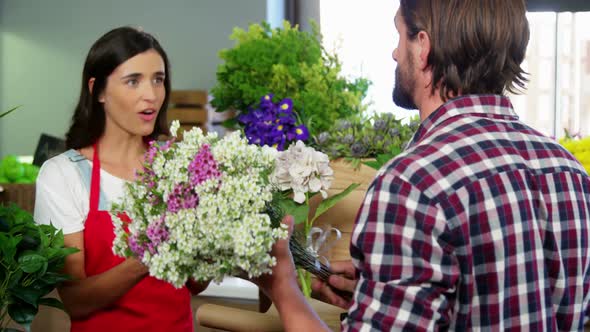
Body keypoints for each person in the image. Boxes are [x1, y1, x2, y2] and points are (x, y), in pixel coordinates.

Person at [258, 1, 590, 330]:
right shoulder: (569, 172)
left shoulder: (411, 185)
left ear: (423, 48)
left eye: (399, 36)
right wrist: (386, 289)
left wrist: (283, 287)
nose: (394, 53)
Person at [34, 27, 208, 331]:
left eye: (158, 79)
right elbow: (75, 299)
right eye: (133, 81)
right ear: (98, 90)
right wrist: (147, 256)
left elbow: (194, 284)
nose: (151, 94)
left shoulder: (178, 166)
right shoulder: (63, 175)